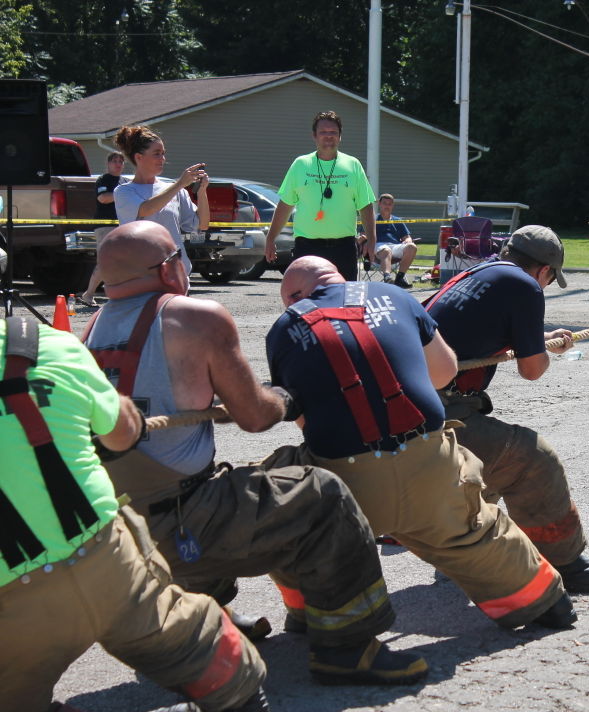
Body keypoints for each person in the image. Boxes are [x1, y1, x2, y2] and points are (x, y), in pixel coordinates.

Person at [82, 221, 427, 686]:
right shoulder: (195, 317)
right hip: (179, 522)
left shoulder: (90, 329)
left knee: (231, 482)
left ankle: (213, 620)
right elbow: (255, 417)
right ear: (168, 270)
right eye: (179, 257)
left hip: (120, 531)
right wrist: (289, 397)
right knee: (319, 492)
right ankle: (347, 647)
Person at [264, 256, 576, 630]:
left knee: (280, 498)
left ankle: (310, 613)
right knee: (476, 530)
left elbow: (304, 422)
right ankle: (545, 602)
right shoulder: (393, 295)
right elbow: (443, 375)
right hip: (431, 465)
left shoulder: (285, 329)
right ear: (338, 278)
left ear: (297, 297)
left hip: (350, 489)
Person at [0, 316, 269, 712]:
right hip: (103, 557)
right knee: (175, 628)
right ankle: (240, 695)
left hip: (12, 600)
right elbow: (122, 433)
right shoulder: (45, 344)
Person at [426, 225, 589, 592]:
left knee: (488, 462)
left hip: (410, 402)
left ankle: (465, 547)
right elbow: (532, 370)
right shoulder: (525, 287)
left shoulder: (476, 274)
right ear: (544, 271)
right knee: (531, 460)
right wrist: (544, 352)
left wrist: (539, 340)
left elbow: (474, 338)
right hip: (438, 409)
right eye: (550, 279)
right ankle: (565, 561)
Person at [265, 111, 376, 281]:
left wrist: (371, 240)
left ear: (340, 137)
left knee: (343, 302)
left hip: (343, 247)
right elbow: (285, 205)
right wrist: (271, 238)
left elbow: (365, 205)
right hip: (307, 247)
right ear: (314, 136)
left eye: (333, 132)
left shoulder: (353, 165)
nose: (328, 136)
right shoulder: (300, 164)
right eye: (323, 132)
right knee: (308, 301)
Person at [113, 124, 209, 276]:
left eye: (163, 153)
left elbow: (202, 225)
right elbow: (147, 208)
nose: (162, 159)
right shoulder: (124, 191)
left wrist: (202, 192)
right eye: (157, 154)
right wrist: (179, 184)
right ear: (139, 157)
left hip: (177, 274)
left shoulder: (176, 190)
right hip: (142, 274)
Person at [80, 152, 129, 307]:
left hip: (123, 225)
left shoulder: (125, 182)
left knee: (123, 262)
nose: (118, 164)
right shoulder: (104, 180)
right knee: (104, 261)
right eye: (114, 161)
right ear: (108, 164)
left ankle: (121, 295)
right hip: (105, 226)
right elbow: (103, 198)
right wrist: (122, 194)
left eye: (121, 161)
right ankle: (88, 295)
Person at [369, 193, 417, 288]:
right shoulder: (373, 219)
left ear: (392, 205)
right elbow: (364, 235)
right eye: (385, 203)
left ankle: (399, 278)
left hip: (395, 246)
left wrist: (408, 240)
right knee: (386, 250)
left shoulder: (397, 220)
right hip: (378, 246)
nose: (387, 206)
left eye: (389, 204)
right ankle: (387, 278)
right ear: (380, 204)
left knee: (412, 247)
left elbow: (407, 237)